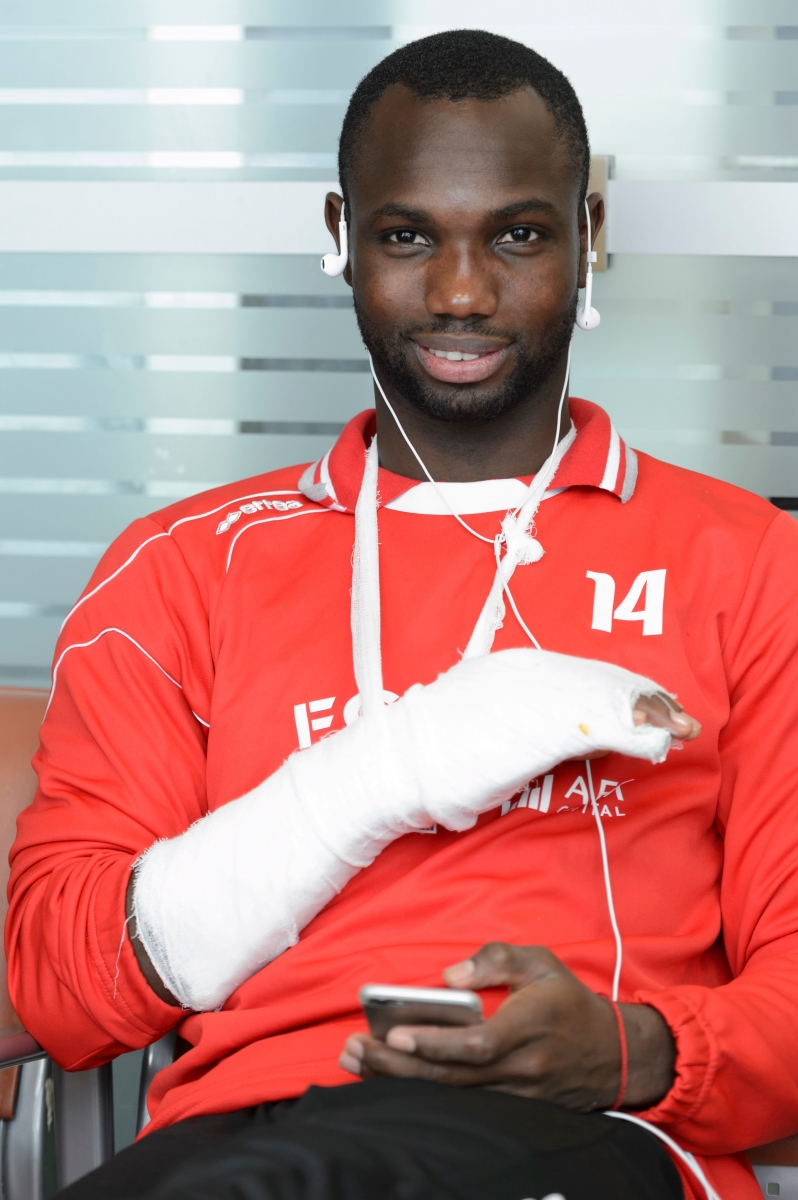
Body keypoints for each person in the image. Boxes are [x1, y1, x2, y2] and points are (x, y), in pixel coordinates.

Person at [7, 28, 798, 1200]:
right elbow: (56, 983)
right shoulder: (177, 568)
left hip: (583, 1136)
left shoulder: (747, 563)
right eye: (407, 235)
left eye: (519, 234)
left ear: (588, 239)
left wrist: (634, 1051)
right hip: (242, 1140)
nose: (463, 291)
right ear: (339, 237)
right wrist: (388, 770)